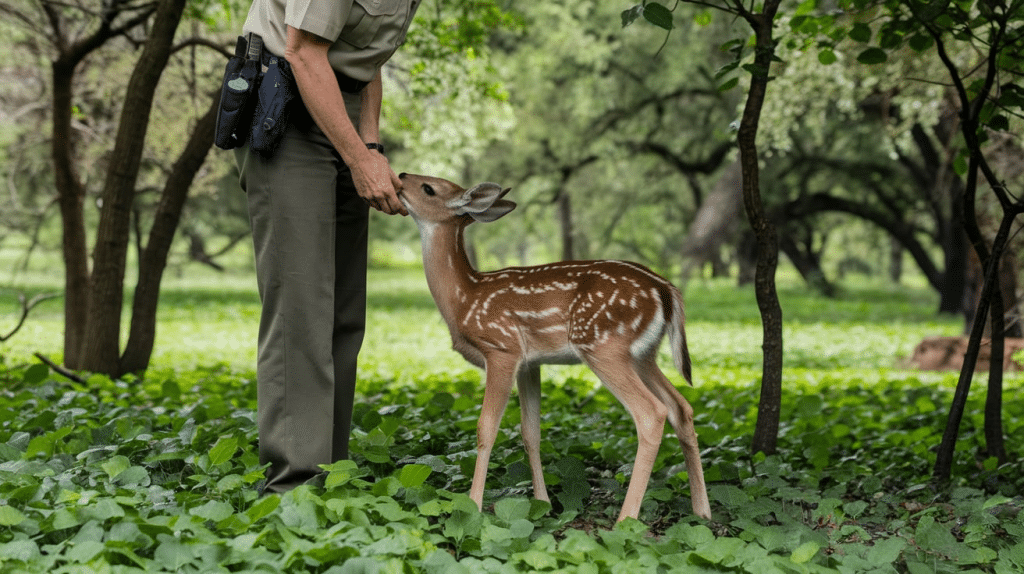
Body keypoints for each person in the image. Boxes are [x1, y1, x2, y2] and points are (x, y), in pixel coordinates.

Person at [233, 0, 420, 494]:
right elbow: (303, 51)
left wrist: (371, 145)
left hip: (342, 106)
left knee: (342, 308)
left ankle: (329, 473)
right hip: (287, 102)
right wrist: (359, 160)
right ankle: (293, 487)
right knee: (301, 307)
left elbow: (366, 61)